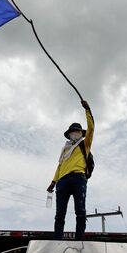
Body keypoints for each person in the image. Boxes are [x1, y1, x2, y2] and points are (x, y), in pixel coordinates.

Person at [47, 100, 94, 240]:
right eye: (72, 132)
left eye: (77, 131)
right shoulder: (65, 149)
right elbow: (60, 166)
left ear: (81, 133)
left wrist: (88, 110)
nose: (75, 133)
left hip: (78, 178)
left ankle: (79, 240)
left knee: (80, 211)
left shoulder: (85, 144)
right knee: (60, 213)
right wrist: (53, 181)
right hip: (62, 181)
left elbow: (91, 128)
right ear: (69, 134)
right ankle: (57, 239)